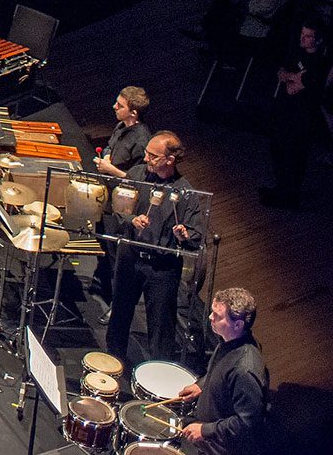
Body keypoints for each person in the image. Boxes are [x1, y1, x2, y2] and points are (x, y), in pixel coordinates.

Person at [104, 130, 202, 366]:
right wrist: (131, 219)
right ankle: (112, 362)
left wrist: (184, 235)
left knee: (161, 326)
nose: (146, 158)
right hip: (131, 257)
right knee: (120, 314)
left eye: (153, 156)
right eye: (147, 153)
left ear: (170, 160)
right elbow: (118, 209)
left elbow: (196, 235)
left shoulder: (185, 193)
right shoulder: (137, 174)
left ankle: (158, 373)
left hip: (162, 268)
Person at [174, 287, 270, 455]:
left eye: (218, 316)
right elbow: (221, 370)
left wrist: (205, 430)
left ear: (238, 325)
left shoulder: (244, 370)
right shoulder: (229, 340)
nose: (210, 317)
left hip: (218, 448)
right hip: (206, 432)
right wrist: (201, 385)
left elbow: (247, 423)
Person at [261, 23, 333, 208]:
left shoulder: (320, 62)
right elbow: (282, 74)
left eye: (308, 35)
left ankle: (290, 195)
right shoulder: (297, 53)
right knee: (278, 148)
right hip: (284, 110)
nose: (302, 38)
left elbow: (296, 87)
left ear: (318, 40)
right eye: (302, 33)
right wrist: (294, 76)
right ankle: (280, 188)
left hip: (302, 115)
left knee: (294, 154)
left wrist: (292, 77)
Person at [94, 86, 152, 178]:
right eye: (116, 102)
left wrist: (110, 169)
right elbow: (110, 147)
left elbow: (138, 179)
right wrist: (107, 157)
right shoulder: (121, 125)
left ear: (133, 113)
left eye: (120, 106)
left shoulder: (141, 141)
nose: (114, 106)